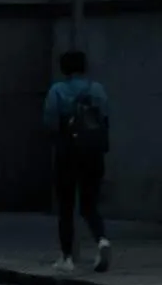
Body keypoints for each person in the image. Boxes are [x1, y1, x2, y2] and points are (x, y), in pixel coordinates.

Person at [44, 43, 112, 269]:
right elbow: (105, 120)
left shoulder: (58, 91)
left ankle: (67, 258)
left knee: (65, 206)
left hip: (67, 153)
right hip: (93, 153)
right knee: (89, 204)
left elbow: (50, 123)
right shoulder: (97, 90)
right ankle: (102, 240)